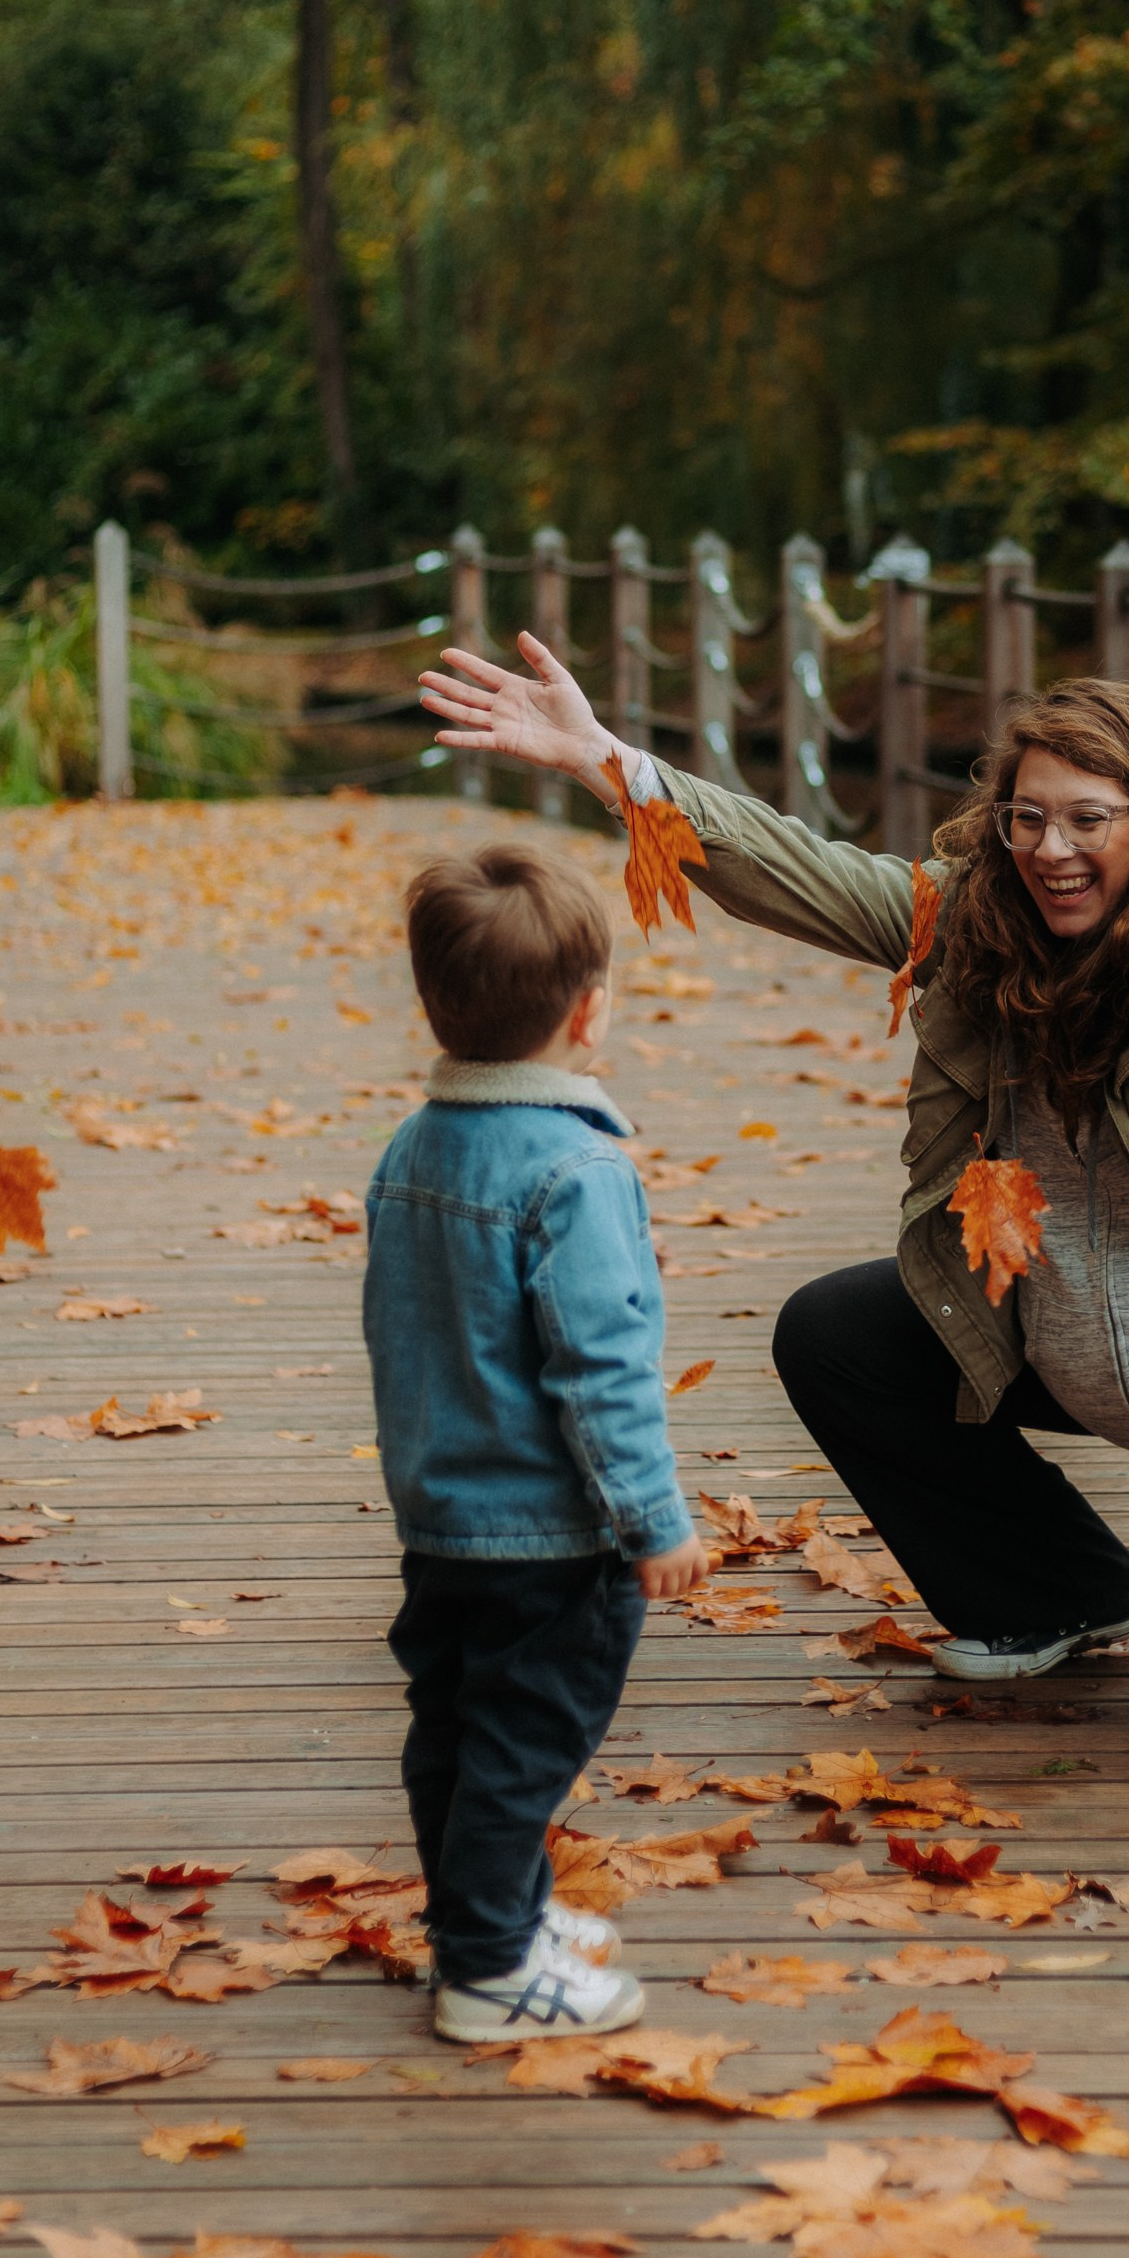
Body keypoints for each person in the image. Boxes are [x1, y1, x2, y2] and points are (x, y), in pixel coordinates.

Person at [417, 638, 1129, 1745]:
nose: (1049, 848)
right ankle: (1052, 1591)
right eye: (1026, 817)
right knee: (833, 1335)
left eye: (1088, 819)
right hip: (1070, 1323)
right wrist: (604, 760)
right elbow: (787, 864)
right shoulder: (965, 921)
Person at [363, 836, 709, 2039]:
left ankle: (491, 1913)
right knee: (524, 1747)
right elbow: (599, 1365)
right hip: (552, 1536)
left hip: (441, 1517)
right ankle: (487, 1970)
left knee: (456, 1733)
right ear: (587, 1012)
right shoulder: (577, 1169)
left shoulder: (410, 1149)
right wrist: (651, 1519)